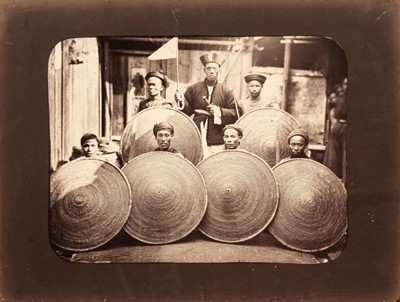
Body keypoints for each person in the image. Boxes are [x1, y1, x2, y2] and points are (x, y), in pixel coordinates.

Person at [174, 52, 239, 155]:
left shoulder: (226, 91)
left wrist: (219, 111)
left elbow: (234, 114)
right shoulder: (193, 89)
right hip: (198, 132)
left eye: (214, 68)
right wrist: (181, 101)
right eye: (208, 68)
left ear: (219, 70)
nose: (212, 71)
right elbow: (187, 111)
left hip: (217, 138)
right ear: (204, 70)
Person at [323, 78, 347, 182]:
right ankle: (333, 179)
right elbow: (332, 110)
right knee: (333, 155)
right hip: (339, 127)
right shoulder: (339, 99)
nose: (347, 87)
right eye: (345, 84)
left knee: (345, 155)